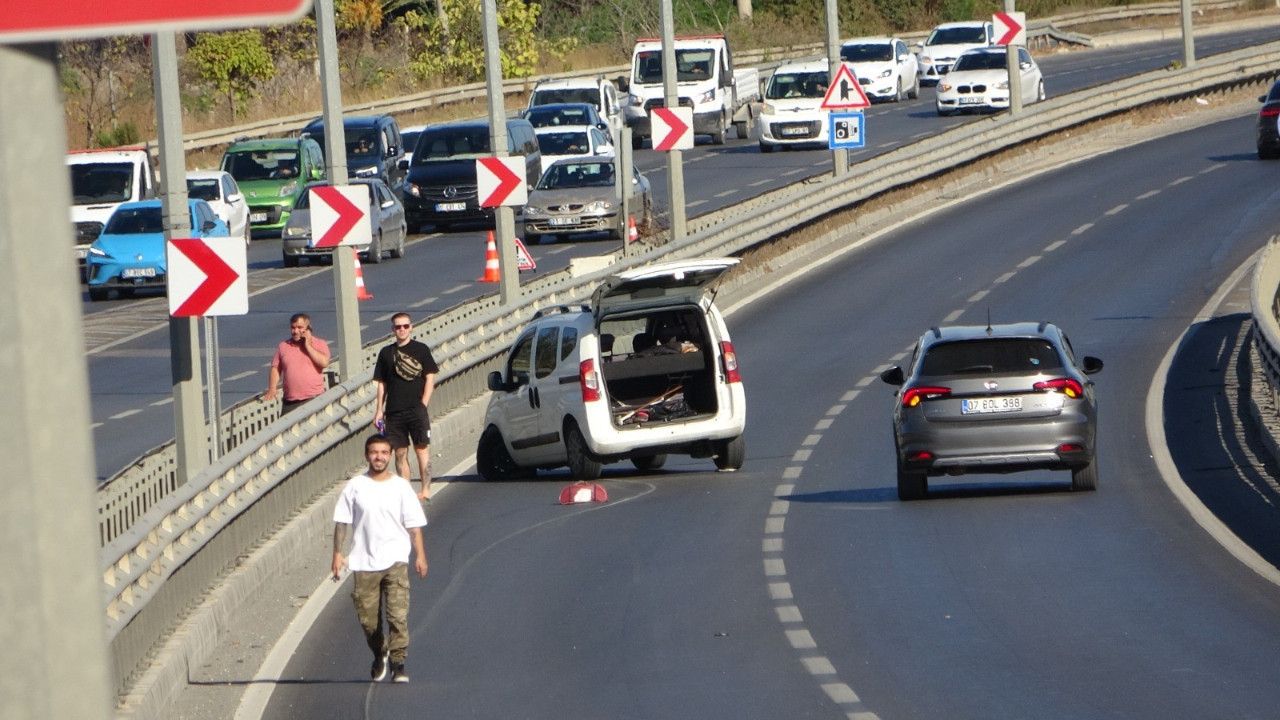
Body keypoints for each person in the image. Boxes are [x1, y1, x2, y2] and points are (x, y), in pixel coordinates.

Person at [332, 435, 428, 684]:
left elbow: (414, 526)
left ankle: (398, 663)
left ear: (390, 455)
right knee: (367, 620)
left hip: (396, 559)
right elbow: (341, 521)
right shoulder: (355, 487)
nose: (379, 457)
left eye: (384, 452)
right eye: (374, 452)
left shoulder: (400, 487)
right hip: (363, 562)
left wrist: (420, 556)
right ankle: (380, 651)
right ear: (367, 455)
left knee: (397, 615)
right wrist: (337, 554)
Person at [373, 313, 440, 502]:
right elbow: (381, 384)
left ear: (411, 327)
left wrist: (423, 404)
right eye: (397, 327)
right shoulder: (386, 353)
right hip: (394, 411)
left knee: (421, 449)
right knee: (400, 453)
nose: (401, 329)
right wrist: (379, 410)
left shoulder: (421, 349)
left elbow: (430, 378)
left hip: (416, 410)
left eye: (405, 326)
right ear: (392, 329)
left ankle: (426, 490)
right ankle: (406, 493)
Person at [263, 313, 331, 413]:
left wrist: (308, 346)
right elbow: (275, 368)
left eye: (299, 327)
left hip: (313, 398)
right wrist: (272, 388)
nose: (295, 331)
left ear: (308, 329)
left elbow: (324, 363)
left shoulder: (319, 344)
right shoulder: (283, 346)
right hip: (290, 402)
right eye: (293, 328)